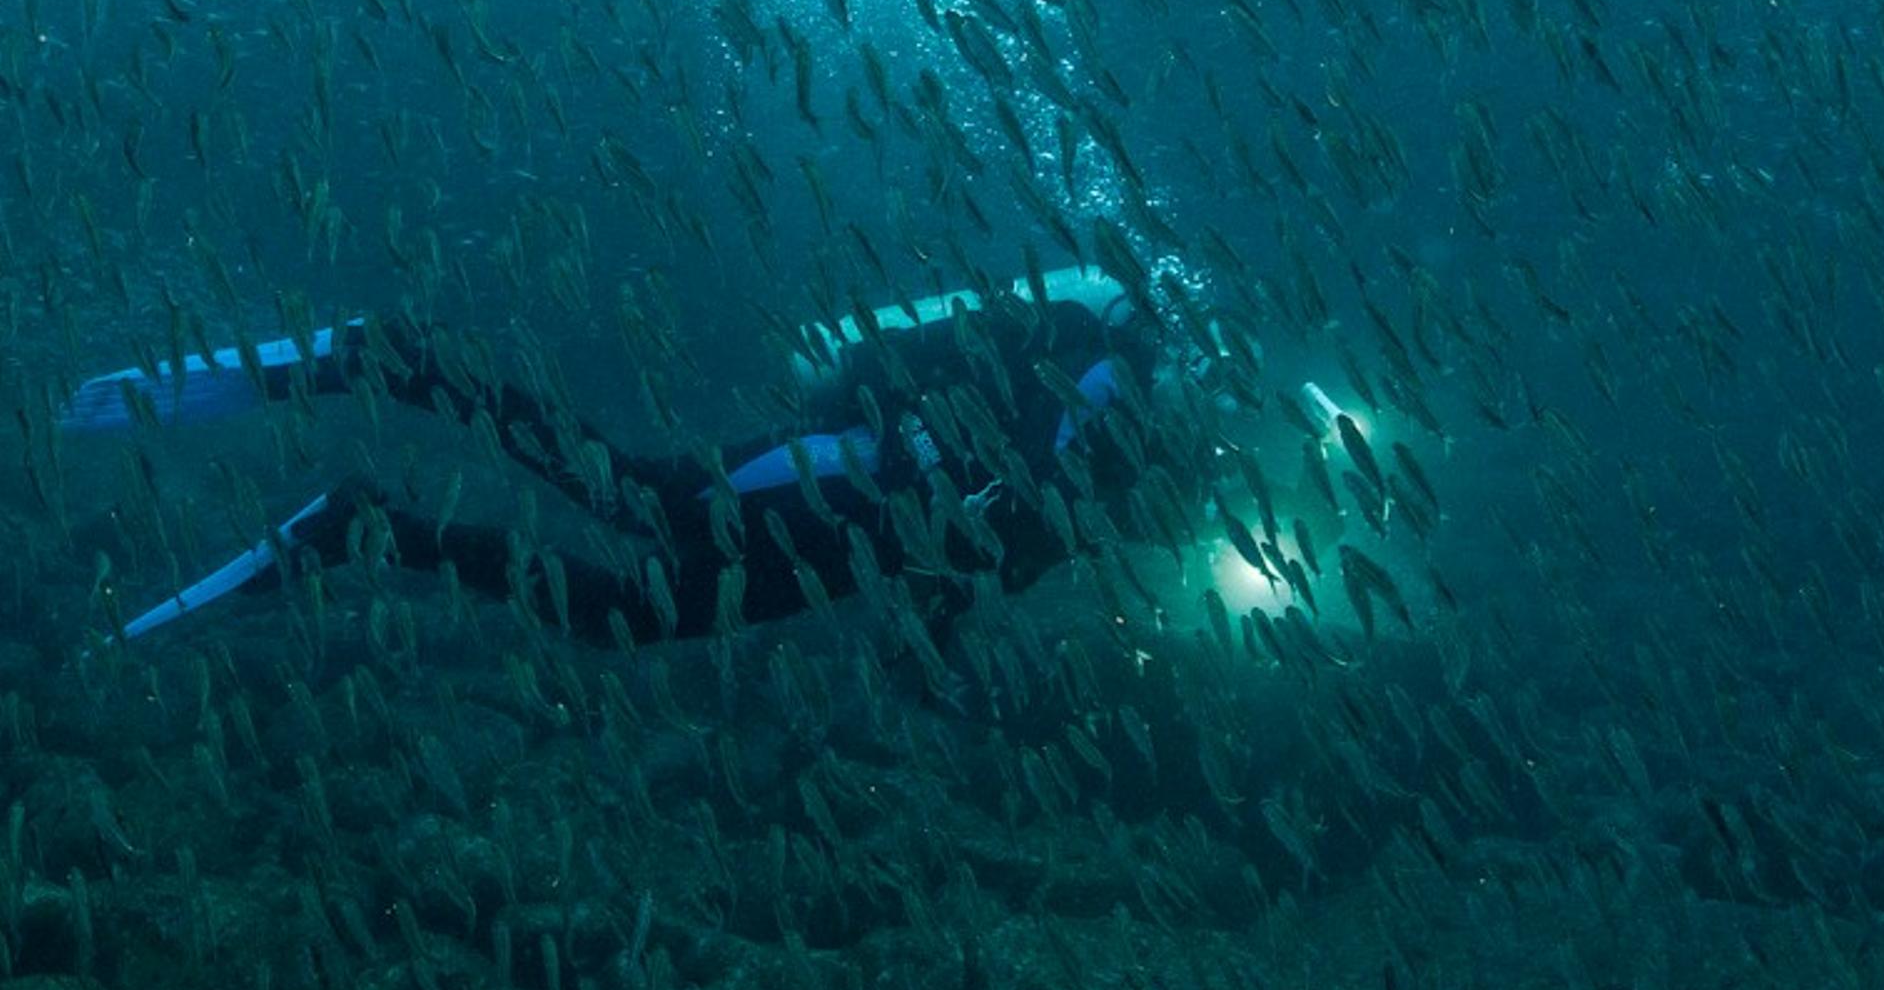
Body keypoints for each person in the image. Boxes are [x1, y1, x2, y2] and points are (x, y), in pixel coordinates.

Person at [64, 266, 1169, 647]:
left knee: (618, 620)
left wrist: (941, 620)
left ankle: (369, 526)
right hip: (840, 481)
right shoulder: (1114, 376)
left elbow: (1008, 540)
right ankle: (392, 356)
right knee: (634, 490)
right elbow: (1013, 479)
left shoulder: (1124, 446)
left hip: (852, 552)